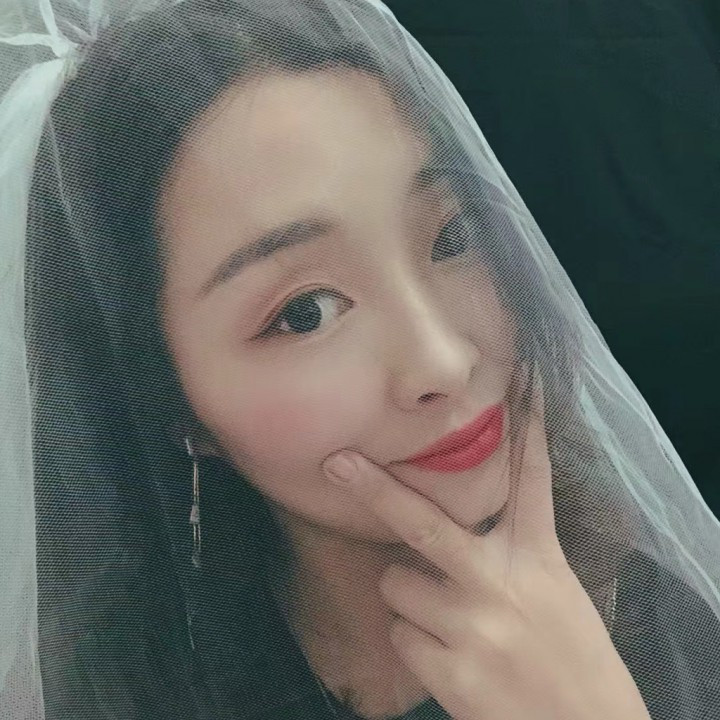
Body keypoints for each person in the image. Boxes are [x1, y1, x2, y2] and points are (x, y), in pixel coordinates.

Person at [1, 1, 719, 719]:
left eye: (451, 237)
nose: (443, 361)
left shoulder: (668, 627)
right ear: (167, 397)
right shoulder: (115, 692)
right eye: (304, 313)